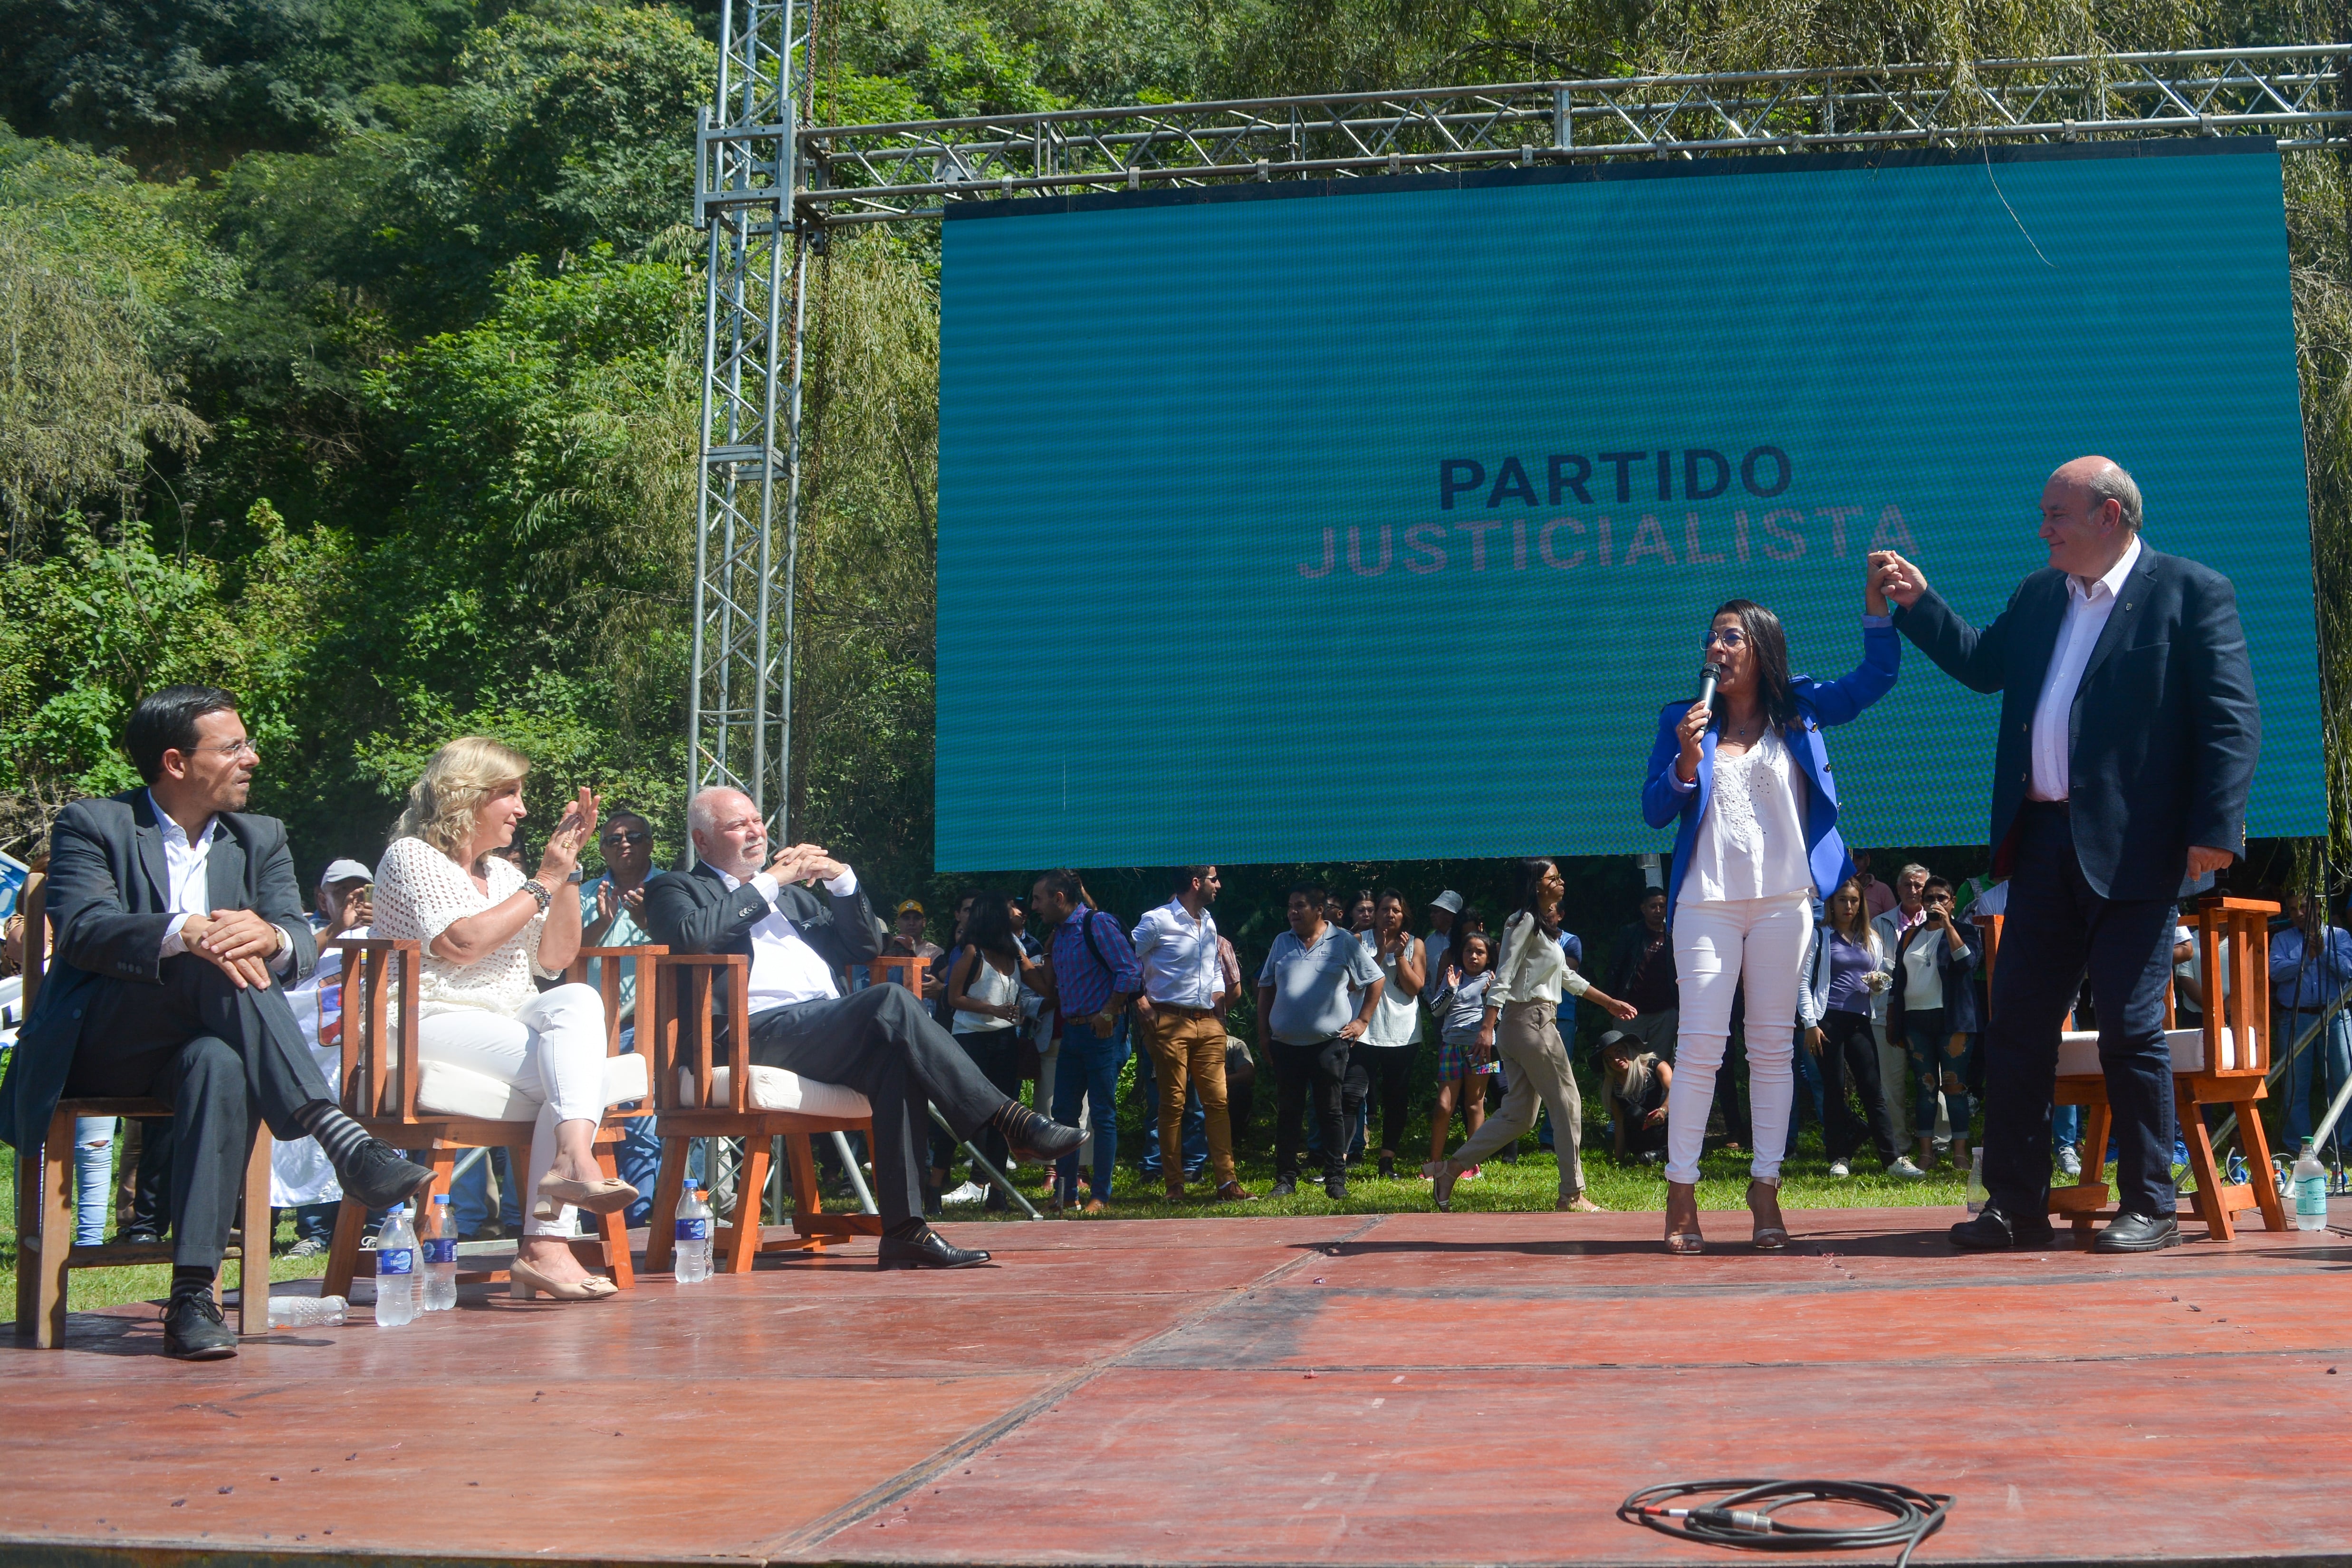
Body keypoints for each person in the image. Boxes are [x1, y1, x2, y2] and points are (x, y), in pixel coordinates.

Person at [1875, 456, 2260, 1252]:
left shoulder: (2189, 592)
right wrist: (1918, 605)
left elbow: (2230, 717)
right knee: (2015, 1027)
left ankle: (2148, 1204)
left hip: (2137, 852)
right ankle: (2012, 1207)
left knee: (2127, 1026)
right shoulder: (2037, 595)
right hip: (2042, 842)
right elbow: (1984, 666)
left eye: (2056, 514)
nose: (2041, 527)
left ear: (2108, 518)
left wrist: (2212, 829)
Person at [0, 687, 433, 1358]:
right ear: (175, 762)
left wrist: (273, 936)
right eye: (233, 747)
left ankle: (193, 1298)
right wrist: (187, 931)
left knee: (221, 1062)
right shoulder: (94, 824)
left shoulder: (261, 837)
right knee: (212, 954)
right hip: (104, 1042)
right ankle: (338, 1134)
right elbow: (84, 931)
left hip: (206, 1045)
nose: (252, 758)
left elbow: (295, 936)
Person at [644, 791, 1078, 1263]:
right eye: (738, 826)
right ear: (701, 841)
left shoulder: (791, 899)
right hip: (745, 1036)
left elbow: (867, 946)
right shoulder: (676, 888)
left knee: (895, 1061)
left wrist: (840, 879)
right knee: (892, 999)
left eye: (757, 821)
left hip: (819, 1029)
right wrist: (768, 882)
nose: (755, 832)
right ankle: (1010, 1121)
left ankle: (905, 1232)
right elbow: (690, 936)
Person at [1641, 571, 1900, 1255]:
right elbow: (1654, 808)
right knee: (1699, 1046)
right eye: (1710, 638)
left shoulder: (1801, 710)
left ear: (1760, 647)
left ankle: (1765, 1189)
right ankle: (1681, 1192)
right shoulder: (1681, 718)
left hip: (1785, 903)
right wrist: (1685, 763)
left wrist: (1877, 609)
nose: (1716, 648)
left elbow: (1874, 678)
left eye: (1730, 636)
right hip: (1706, 904)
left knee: (1771, 1049)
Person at [371, 738, 643, 1301]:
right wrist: (542, 881)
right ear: (465, 797)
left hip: (505, 1014)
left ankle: (569, 1159)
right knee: (572, 1076)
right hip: (425, 1017)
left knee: (578, 1003)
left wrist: (565, 871)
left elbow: (555, 960)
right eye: (510, 794)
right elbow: (460, 943)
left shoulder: (500, 874)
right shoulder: (411, 857)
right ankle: (546, 1243)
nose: (522, 809)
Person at [1423, 860, 1639, 1213]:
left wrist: (1609, 1003)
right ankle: (1572, 1193)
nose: (1561, 882)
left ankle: (1450, 1170)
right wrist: (1486, 1026)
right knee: (1567, 1102)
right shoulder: (1521, 921)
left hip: (1523, 1026)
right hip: (1531, 1024)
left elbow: (1568, 979)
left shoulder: (1541, 927)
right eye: (1553, 878)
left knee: (1519, 1115)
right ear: (1536, 886)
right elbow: (1504, 975)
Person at [272, 858, 376, 1256]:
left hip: (367, 1062)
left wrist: (378, 920)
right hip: (317, 1063)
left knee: (373, 1137)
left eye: (363, 891)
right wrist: (338, 929)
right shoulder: (307, 936)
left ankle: (375, 1225)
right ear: (322, 897)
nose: (355, 900)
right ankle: (315, 1232)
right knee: (312, 1145)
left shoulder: (385, 932)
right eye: (343, 892)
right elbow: (283, 973)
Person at [1130, 866, 1252, 1203]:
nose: (1219, 884)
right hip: (1169, 1021)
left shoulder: (1208, 921)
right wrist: (1141, 1003)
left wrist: (1217, 1002)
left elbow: (1213, 967)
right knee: (1172, 1104)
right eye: (1214, 878)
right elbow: (1125, 960)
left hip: (1209, 1023)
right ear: (1196, 883)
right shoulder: (1157, 920)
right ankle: (1174, 1185)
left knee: (1218, 1102)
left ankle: (1227, 1183)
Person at [1258, 882, 1384, 1200]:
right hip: (1285, 1044)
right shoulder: (1281, 942)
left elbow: (1376, 979)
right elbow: (1266, 988)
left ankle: (1334, 1180)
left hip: (1328, 1044)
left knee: (1331, 1112)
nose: (1293, 912)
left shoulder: (1342, 941)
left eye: (1300, 906)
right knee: (1288, 1112)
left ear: (1319, 910)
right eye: (1290, 906)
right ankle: (1285, 1179)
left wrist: (1362, 1021)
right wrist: (1263, 1034)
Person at [1023, 869, 1139, 1214]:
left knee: (1101, 1114)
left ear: (1059, 898)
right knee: (1062, 1116)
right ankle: (1066, 1194)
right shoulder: (1058, 935)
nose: (1033, 907)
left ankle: (1100, 1195)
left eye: (1038, 899)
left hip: (1101, 1031)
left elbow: (1130, 971)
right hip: (1071, 1032)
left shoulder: (1097, 924)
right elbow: (1051, 986)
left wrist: (1109, 1012)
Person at [578, 810, 665, 1223]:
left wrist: (648, 921)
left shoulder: (671, 889)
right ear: (602, 851)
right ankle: (590, 1214)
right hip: (589, 1028)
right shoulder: (584, 894)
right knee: (585, 1120)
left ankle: (639, 1215)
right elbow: (558, 957)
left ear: (651, 843)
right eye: (613, 839)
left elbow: (689, 945)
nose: (624, 843)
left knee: (640, 1119)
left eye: (634, 836)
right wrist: (602, 923)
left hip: (648, 1023)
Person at [1797, 875, 1914, 1178]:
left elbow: (1879, 980)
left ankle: (1892, 1159)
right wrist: (1810, 1024)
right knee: (1834, 1090)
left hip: (1861, 1021)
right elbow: (1802, 983)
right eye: (1842, 900)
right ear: (1831, 905)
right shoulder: (1819, 936)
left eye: (1854, 901)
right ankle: (1839, 1156)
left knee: (1873, 1089)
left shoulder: (1871, 939)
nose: (1848, 906)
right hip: (1827, 1020)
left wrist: (1878, 984)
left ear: (1861, 904)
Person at [1887, 877, 1981, 1175]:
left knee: (1954, 1087)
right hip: (1916, 1019)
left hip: (1952, 1020)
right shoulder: (1910, 936)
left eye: (1941, 897)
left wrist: (1949, 927)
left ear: (1953, 902)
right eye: (1929, 898)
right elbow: (1900, 981)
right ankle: (1926, 1154)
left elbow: (1967, 964)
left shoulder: (1965, 931)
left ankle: (1960, 1154)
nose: (1934, 903)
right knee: (1925, 1087)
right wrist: (1895, 1020)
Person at [944, 891, 1031, 1212]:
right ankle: (936, 1183)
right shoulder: (971, 950)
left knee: (1003, 1116)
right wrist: (993, 1009)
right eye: (1008, 909)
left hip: (1005, 1039)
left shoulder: (1013, 952)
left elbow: (1037, 981)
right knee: (964, 1111)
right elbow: (953, 998)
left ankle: (996, 1192)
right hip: (971, 1038)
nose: (1016, 914)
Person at [2271, 888, 2352, 1162]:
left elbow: (2349, 972)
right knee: (2295, 1083)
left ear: (2318, 907)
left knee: (2342, 1081)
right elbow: (2276, 972)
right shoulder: (2282, 939)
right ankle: (2299, 1146)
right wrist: (2307, 957)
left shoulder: (2338, 936)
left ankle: (2344, 1144)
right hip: (2296, 1017)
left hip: (2334, 1017)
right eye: (2293, 909)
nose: (2299, 914)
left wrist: (2325, 952)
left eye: (2304, 907)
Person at [1358, 889, 1426, 1180]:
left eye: (1396, 910)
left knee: (1396, 1097)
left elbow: (1415, 988)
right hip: (1366, 1031)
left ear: (1404, 914)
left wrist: (1399, 956)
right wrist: (1381, 953)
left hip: (1403, 1033)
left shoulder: (1416, 945)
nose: (1390, 914)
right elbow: (1355, 982)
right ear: (1376, 914)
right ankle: (1346, 1157)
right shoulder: (1360, 941)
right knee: (1352, 1094)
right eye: (1385, 909)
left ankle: (1387, 1160)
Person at [1870, 862, 1932, 1141]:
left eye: (1919, 885)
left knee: (1933, 1080)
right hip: (1886, 1013)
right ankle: (1898, 1141)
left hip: (1927, 1012)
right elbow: (1871, 964)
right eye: (1907, 884)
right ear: (1897, 889)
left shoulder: (1936, 923)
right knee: (1891, 1083)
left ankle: (1937, 1141)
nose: (1913, 890)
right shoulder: (1879, 923)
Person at [1427, 931, 1498, 1166]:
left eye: (1480, 952)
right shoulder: (1452, 975)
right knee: (1443, 1105)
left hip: (1481, 1048)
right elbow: (1435, 1011)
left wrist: (1489, 994)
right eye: (1469, 951)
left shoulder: (1494, 980)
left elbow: (1501, 1018)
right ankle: (1435, 1162)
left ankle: (1472, 1164)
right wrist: (1450, 989)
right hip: (1451, 1045)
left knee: (1475, 1104)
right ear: (1461, 953)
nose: (1474, 956)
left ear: (1488, 957)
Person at [1607, 887, 1679, 1059]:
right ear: (1643, 909)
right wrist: (1612, 1003)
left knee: (1659, 1062)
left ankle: (1658, 1088)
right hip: (1631, 1011)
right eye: (1653, 906)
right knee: (1626, 1061)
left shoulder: (1674, 936)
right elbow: (1615, 969)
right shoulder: (1629, 934)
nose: (1658, 911)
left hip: (1665, 1013)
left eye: (1662, 906)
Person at [1599, 1028, 1671, 1161]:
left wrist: (1663, 1110)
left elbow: (1675, 1093)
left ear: (1629, 1049)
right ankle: (1650, 1155)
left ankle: (1665, 1152)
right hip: (1640, 1139)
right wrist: (1618, 1159)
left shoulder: (1657, 1066)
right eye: (1609, 1058)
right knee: (1634, 1113)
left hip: (1666, 1128)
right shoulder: (1613, 1088)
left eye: (1619, 1052)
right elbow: (1620, 1123)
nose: (1616, 1059)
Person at [1422, 890, 1463, 989]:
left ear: (1451, 915)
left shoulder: (1464, 940)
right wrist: (1431, 1000)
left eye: (1436, 912)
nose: (1432, 915)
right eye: (1432, 912)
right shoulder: (1429, 942)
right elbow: (1425, 977)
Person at [1855, 851, 1900, 920]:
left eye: (1859, 858)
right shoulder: (1839, 889)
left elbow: (1894, 921)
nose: (1855, 864)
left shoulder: (1883, 890)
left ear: (1868, 860)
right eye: (1851, 859)